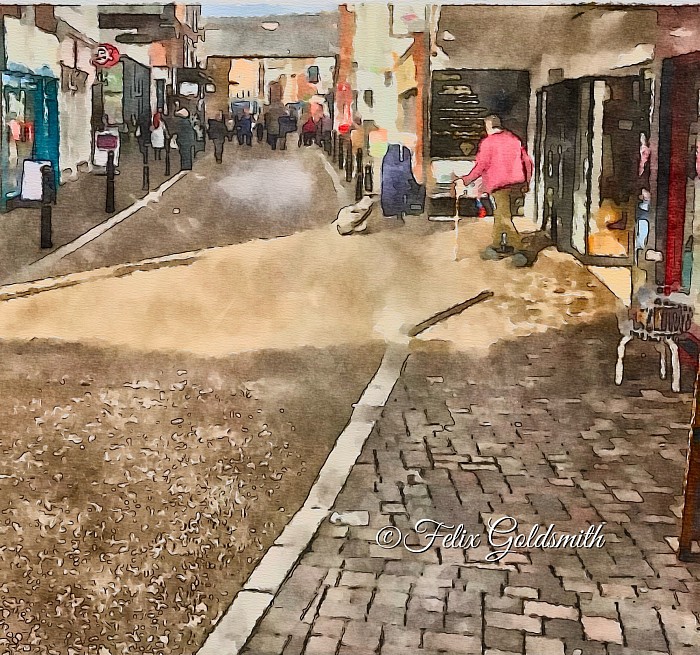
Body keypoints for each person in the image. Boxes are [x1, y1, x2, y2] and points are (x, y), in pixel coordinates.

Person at [458, 114, 533, 258]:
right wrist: (527, 182)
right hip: (517, 183)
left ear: (489, 126)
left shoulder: (488, 142)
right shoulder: (514, 140)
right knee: (501, 214)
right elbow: (528, 162)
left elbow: (481, 166)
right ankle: (497, 244)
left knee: (503, 216)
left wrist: (466, 180)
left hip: (500, 185)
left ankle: (520, 249)